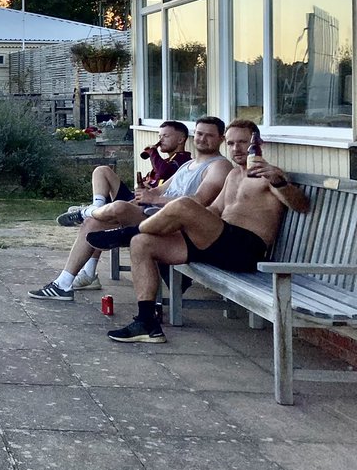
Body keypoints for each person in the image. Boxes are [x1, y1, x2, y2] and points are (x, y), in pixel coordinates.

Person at [88, 119, 310, 343]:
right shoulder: (233, 175)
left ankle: (127, 233)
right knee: (142, 243)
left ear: (257, 143)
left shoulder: (269, 175)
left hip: (245, 249)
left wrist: (278, 182)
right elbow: (214, 210)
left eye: (243, 142)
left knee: (184, 204)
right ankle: (146, 323)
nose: (236, 148)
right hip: (218, 244)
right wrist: (188, 222)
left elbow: (301, 205)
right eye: (231, 143)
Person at [28, 116, 231, 301]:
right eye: (200, 134)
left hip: (175, 227)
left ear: (221, 139)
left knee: (116, 207)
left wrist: (154, 199)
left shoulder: (219, 166)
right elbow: (160, 190)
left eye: (209, 135)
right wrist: (143, 195)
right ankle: (63, 284)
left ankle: (85, 211)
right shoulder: (189, 164)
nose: (202, 139)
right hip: (154, 214)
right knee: (93, 223)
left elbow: (198, 200)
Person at [55, 120, 190, 227]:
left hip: (143, 206)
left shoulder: (183, 161)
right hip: (135, 197)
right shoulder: (166, 160)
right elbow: (159, 175)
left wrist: (153, 152)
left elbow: (164, 172)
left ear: (181, 139)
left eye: (165, 136)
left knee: (93, 224)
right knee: (102, 170)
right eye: (159, 136)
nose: (161, 140)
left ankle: (89, 213)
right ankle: (96, 207)